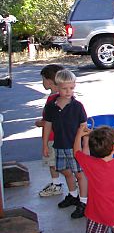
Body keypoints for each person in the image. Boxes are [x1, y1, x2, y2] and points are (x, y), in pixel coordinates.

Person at [42, 69, 89, 218]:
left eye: (71, 88)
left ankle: (83, 202)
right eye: (64, 88)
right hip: (59, 145)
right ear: (57, 86)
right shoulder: (51, 106)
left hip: (75, 147)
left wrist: (85, 145)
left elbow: (84, 127)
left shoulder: (77, 106)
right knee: (65, 171)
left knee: (79, 174)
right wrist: (44, 145)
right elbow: (47, 125)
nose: (69, 92)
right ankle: (73, 195)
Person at [36, 64, 65, 197]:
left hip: (52, 137)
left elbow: (51, 121)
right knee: (58, 162)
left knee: (52, 163)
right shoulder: (62, 97)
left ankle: (56, 184)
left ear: (49, 81)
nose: (43, 82)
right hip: (60, 137)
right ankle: (65, 182)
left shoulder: (52, 100)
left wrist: (39, 123)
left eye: (43, 79)